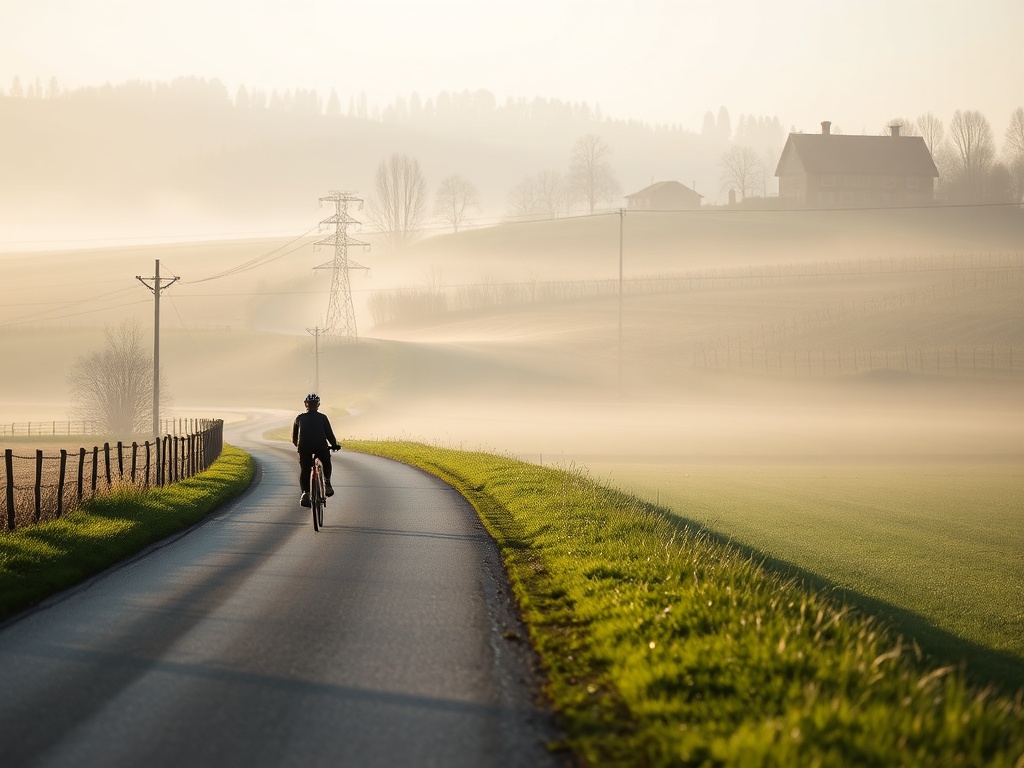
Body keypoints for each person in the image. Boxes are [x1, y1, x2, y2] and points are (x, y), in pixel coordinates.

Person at [292, 393, 340, 508]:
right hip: (320, 447)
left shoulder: (299, 418)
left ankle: (305, 493)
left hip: (304, 447)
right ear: (318, 404)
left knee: (305, 469)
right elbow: (329, 434)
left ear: (306, 405)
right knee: (326, 462)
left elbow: (294, 438)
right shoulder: (322, 417)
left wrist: (298, 446)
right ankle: (327, 483)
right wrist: (334, 445)